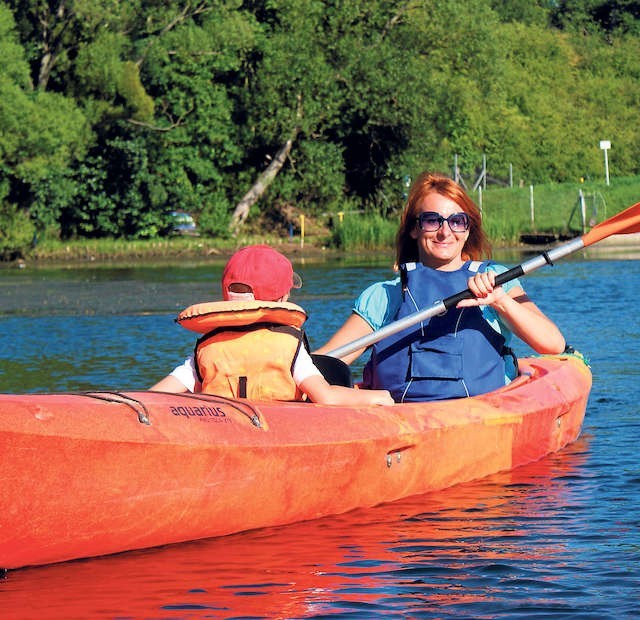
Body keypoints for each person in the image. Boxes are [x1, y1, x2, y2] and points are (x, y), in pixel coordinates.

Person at [315, 171, 566, 403]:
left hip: (482, 416)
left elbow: (552, 344)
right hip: (402, 422)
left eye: (457, 221)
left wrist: (500, 301)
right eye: (432, 220)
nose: (445, 232)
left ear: (468, 230)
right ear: (414, 229)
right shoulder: (385, 295)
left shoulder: (496, 279)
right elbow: (325, 362)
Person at [151, 244, 394, 406]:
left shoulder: (207, 347)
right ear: (281, 299)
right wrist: (376, 397)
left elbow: (156, 396)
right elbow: (326, 397)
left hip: (224, 433)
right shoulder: (287, 346)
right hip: (276, 436)